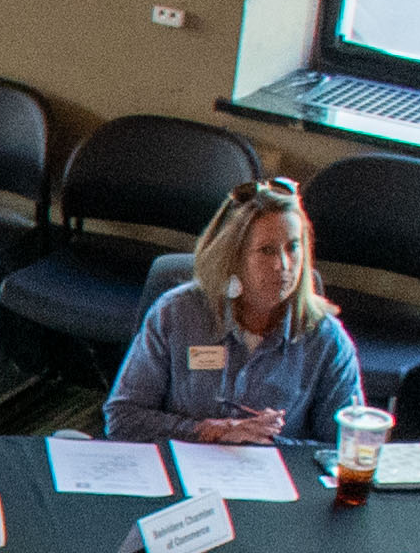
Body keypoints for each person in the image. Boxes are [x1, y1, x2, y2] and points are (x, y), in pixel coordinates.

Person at [100, 174, 360, 447]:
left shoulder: (327, 340)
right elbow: (123, 420)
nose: (283, 265)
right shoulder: (175, 314)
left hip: (270, 481)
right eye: (266, 251)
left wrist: (264, 441)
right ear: (232, 258)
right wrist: (213, 430)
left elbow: (343, 448)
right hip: (182, 474)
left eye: (292, 248)